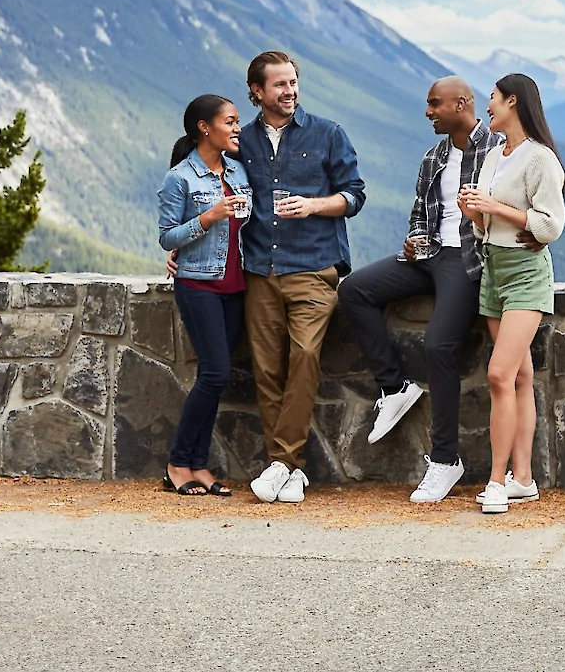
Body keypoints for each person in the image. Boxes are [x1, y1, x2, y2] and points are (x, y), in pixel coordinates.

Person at [336, 76, 501, 503]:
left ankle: (446, 461)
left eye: (434, 104)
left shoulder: (497, 153)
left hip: (467, 261)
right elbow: (419, 213)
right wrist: (414, 240)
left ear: (461, 104)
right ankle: (395, 387)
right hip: (427, 257)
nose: (427, 112)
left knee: (439, 346)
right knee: (354, 289)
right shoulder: (433, 157)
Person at [233, 50, 367, 505]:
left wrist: (313, 205)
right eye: (279, 85)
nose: (289, 91)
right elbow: (200, 179)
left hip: (314, 267)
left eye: (293, 82)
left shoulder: (328, 134)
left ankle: (282, 462)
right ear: (257, 92)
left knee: (305, 355)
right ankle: (289, 471)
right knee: (267, 369)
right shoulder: (241, 141)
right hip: (259, 269)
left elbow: (354, 196)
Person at [456, 73, 565, 514]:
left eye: (493, 99)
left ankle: (496, 481)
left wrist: (494, 207)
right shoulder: (494, 156)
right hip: (494, 269)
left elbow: (550, 225)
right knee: (520, 378)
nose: (487, 107)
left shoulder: (541, 159)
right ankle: (523, 479)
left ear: (513, 102)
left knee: (500, 375)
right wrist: (473, 213)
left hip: (525, 273)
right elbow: (488, 226)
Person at [156, 94, 253, 497]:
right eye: (229, 121)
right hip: (198, 284)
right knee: (214, 373)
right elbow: (167, 237)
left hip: (237, 285)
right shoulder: (179, 178)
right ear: (204, 127)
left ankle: (198, 464)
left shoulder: (238, 169)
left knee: (214, 379)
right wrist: (207, 217)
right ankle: (178, 463)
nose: (236, 128)